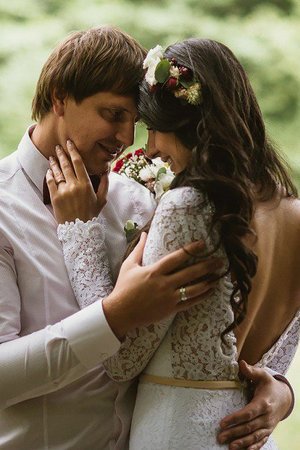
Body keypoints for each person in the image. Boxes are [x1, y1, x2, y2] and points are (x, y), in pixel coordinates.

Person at [45, 38, 300, 450]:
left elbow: (120, 361)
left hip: (180, 431)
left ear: (188, 125)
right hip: (251, 436)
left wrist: (79, 230)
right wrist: (284, 394)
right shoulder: (294, 213)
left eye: (153, 129)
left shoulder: (188, 206)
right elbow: (271, 366)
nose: (148, 148)